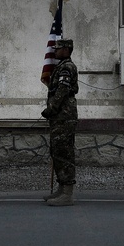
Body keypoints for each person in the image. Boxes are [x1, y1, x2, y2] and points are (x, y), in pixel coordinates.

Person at [41, 38, 78, 206]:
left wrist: (51, 109)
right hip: (59, 116)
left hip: (64, 116)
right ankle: (62, 187)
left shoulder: (67, 67)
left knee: (64, 152)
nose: (54, 51)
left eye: (58, 48)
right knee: (57, 151)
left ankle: (67, 193)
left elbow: (62, 91)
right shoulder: (61, 67)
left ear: (66, 49)